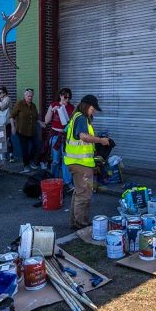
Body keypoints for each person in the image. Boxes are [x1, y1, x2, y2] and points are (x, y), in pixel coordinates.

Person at [63, 95, 113, 229]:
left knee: (79, 192)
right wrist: (101, 140)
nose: (94, 111)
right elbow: (83, 137)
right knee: (84, 194)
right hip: (81, 164)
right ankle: (81, 223)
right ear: (86, 106)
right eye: (93, 108)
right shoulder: (81, 118)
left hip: (76, 162)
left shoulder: (77, 117)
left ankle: (75, 222)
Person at [42, 88, 75, 188]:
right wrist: (52, 111)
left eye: (69, 97)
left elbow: (73, 123)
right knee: (55, 160)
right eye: (65, 97)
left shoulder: (71, 107)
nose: (67, 99)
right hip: (56, 135)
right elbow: (46, 121)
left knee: (66, 159)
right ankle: (54, 179)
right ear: (60, 95)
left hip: (66, 136)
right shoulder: (54, 105)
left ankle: (67, 182)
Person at [11, 88, 39, 173]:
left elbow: (35, 118)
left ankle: (30, 161)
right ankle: (26, 165)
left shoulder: (33, 105)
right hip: (22, 131)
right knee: (25, 149)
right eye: (28, 96)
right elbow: (12, 116)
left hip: (32, 131)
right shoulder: (19, 104)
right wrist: (13, 127)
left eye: (31, 96)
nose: (30, 97)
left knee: (36, 145)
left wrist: (41, 123)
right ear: (25, 95)